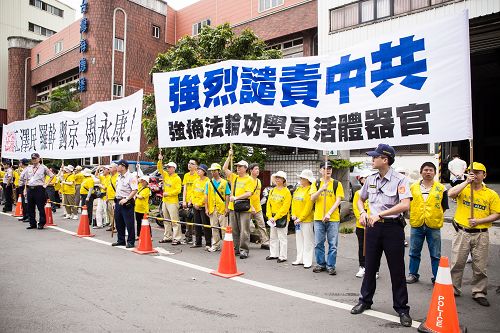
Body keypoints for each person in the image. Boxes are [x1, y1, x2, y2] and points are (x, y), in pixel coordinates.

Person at [350, 144, 412, 328]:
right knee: (370, 266)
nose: (372, 159)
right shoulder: (370, 179)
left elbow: (405, 205)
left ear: (385, 160)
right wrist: (362, 212)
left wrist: (380, 215)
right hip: (373, 228)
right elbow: (361, 199)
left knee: (397, 270)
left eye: (375, 157)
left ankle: (402, 308)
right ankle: (365, 301)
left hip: (393, 228)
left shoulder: (400, 180)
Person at [448, 162, 500, 307]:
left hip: (481, 234)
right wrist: (465, 182)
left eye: (478, 172)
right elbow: (450, 194)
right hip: (462, 232)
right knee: (457, 263)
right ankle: (453, 288)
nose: (475, 175)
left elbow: (497, 214)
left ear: (484, 175)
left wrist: (479, 221)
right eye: (472, 172)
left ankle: (479, 292)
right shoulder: (464, 189)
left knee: (480, 266)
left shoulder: (491, 194)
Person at [406, 162, 449, 284]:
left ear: (435, 172)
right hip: (417, 224)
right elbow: (408, 204)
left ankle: (437, 277)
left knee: (436, 254)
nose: (428, 172)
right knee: (414, 251)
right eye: (425, 170)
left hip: (433, 225)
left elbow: (444, 206)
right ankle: (413, 274)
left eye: (431, 170)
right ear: (421, 172)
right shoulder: (413, 187)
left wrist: (433, 215)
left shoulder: (441, 188)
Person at [310, 161, 344, 275]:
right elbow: (312, 198)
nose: (328, 170)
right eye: (325, 168)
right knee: (318, 243)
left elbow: (338, 200)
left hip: (333, 218)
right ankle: (320, 264)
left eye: (329, 168)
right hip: (318, 218)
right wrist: (321, 189)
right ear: (320, 170)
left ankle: (331, 266)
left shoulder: (337, 184)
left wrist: (329, 213)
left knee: (333, 244)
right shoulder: (316, 183)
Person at [223, 149, 254, 259]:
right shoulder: (234, 177)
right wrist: (229, 157)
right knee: (234, 230)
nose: (238, 168)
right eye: (237, 166)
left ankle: (244, 249)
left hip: (244, 208)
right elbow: (225, 168)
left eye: (240, 166)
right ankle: (235, 248)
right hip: (233, 207)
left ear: (245, 168)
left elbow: (249, 193)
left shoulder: (249, 179)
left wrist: (236, 197)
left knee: (244, 230)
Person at [19, 153, 55, 230]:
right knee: (30, 207)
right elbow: (26, 179)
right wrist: (25, 189)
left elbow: (52, 175)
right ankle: (32, 223)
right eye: (32, 158)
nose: (34, 160)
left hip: (39, 188)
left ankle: (41, 223)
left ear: (39, 159)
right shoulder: (29, 168)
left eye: (35, 158)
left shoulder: (43, 167)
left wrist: (46, 184)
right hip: (30, 188)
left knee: (40, 207)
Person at [291, 169, 316, 268]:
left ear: (307, 179)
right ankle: (299, 259)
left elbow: (308, 207)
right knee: (299, 240)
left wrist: (301, 218)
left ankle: (307, 260)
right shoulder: (298, 189)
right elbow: (293, 202)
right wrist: (293, 214)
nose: (300, 179)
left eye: (302, 178)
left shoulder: (310, 190)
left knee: (308, 240)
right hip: (297, 219)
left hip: (306, 220)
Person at [266, 171, 292, 263]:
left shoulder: (287, 192)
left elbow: (285, 208)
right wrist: (269, 216)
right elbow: (268, 203)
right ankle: (273, 254)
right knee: (273, 236)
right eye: (276, 177)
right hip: (272, 217)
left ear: (283, 180)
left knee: (282, 237)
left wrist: (275, 217)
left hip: (282, 217)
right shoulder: (272, 190)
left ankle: (282, 256)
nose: (277, 179)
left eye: (279, 177)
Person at [352, 169, 374, 278]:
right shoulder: (358, 193)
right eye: (364, 178)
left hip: (373, 223)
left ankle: (375, 269)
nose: (366, 180)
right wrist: (361, 217)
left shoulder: (375, 191)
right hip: (361, 224)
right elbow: (356, 207)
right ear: (361, 180)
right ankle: (362, 266)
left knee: (374, 247)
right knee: (362, 246)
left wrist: (371, 218)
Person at [157, 155, 183, 245]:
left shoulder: (177, 178)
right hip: (165, 201)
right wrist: (160, 160)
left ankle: (177, 238)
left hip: (172, 202)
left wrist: (168, 193)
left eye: (169, 167)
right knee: (166, 220)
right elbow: (159, 168)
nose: (167, 168)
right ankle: (167, 236)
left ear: (174, 168)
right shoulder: (165, 175)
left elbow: (178, 190)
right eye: (167, 167)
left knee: (174, 221)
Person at [112, 159, 138, 248]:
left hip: (127, 202)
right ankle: (121, 240)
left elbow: (135, 190)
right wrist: (115, 201)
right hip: (118, 201)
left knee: (129, 223)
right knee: (119, 222)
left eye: (118, 165)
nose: (116, 167)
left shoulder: (131, 177)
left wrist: (127, 199)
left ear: (123, 167)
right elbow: (118, 190)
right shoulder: (118, 176)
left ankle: (131, 241)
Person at [205, 163, 230, 252]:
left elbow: (227, 195)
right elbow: (206, 196)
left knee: (224, 228)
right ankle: (215, 245)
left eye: (215, 171)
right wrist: (206, 208)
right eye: (212, 171)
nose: (213, 172)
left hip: (222, 208)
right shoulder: (209, 183)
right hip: (212, 208)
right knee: (214, 227)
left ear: (219, 171)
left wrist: (227, 207)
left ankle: (226, 246)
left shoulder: (224, 182)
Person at [249, 163, 270, 250]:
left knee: (262, 225)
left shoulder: (258, 181)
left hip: (258, 207)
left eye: (258, 169)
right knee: (248, 227)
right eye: (256, 169)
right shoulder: (248, 180)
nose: (258, 171)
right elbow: (247, 195)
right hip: (248, 207)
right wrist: (251, 206)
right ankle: (243, 243)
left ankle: (265, 242)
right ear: (251, 170)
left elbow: (257, 195)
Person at [191, 164, 211, 249]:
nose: (198, 171)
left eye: (200, 169)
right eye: (198, 169)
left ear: (204, 172)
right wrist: (194, 203)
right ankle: (198, 242)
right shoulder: (195, 181)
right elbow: (192, 193)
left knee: (206, 225)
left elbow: (206, 195)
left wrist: (199, 203)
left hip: (203, 206)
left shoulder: (208, 181)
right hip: (195, 205)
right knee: (197, 224)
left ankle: (208, 243)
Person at [182, 158, 199, 242]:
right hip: (187, 201)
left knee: (195, 220)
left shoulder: (198, 176)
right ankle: (188, 237)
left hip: (195, 201)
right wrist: (184, 200)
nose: (189, 165)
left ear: (196, 166)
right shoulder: (186, 175)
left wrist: (191, 201)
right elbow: (185, 189)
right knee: (187, 219)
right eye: (189, 163)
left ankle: (197, 239)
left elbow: (195, 190)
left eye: (192, 163)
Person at [105, 163, 118, 232]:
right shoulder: (110, 177)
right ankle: (112, 225)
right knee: (110, 213)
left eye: (111, 167)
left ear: (115, 168)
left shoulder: (117, 176)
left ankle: (116, 227)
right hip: (109, 197)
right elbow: (107, 188)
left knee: (114, 213)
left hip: (114, 198)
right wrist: (107, 197)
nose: (109, 169)